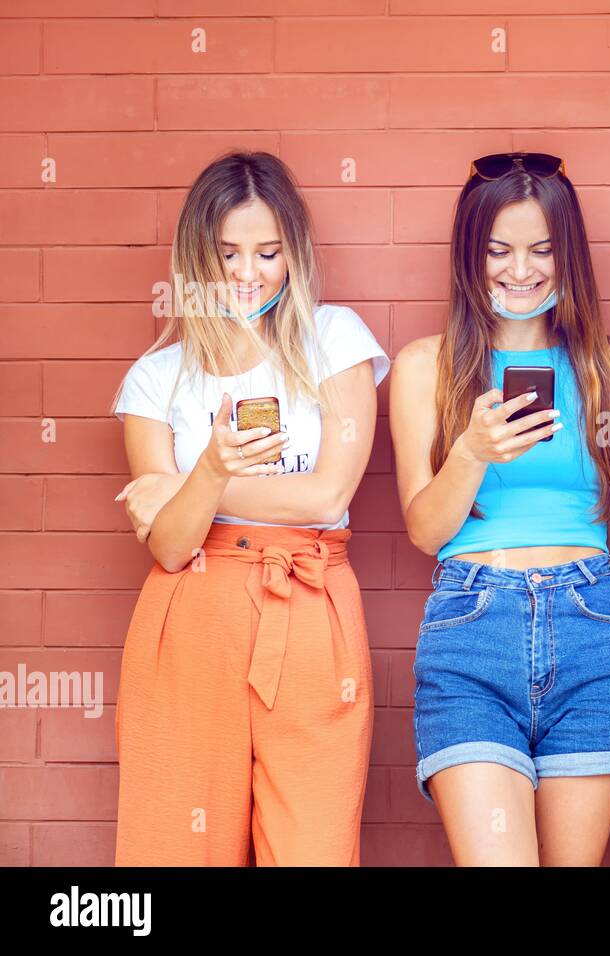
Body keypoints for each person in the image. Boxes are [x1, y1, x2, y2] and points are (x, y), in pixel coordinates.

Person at [111, 151, 389, 865]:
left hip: (309, 601)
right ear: (195, 256)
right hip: (192, 616)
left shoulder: (335, 339)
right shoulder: (155, 379)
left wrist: (188, 487)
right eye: (227, 252)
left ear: (293, 251)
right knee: (177, 846)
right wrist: (204, 469)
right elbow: (171, 546)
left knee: (313, 846)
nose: (247, 272)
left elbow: (329, 493)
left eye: (268, 252)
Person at [390, 152, 610, 866]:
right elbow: (424, 528)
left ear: (569, 256)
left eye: (542, 250)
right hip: (472, 629)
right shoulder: (426, 368)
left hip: (592, 627)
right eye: (498, 251)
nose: (520, 270)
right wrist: (472, 451)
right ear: (469, 256)